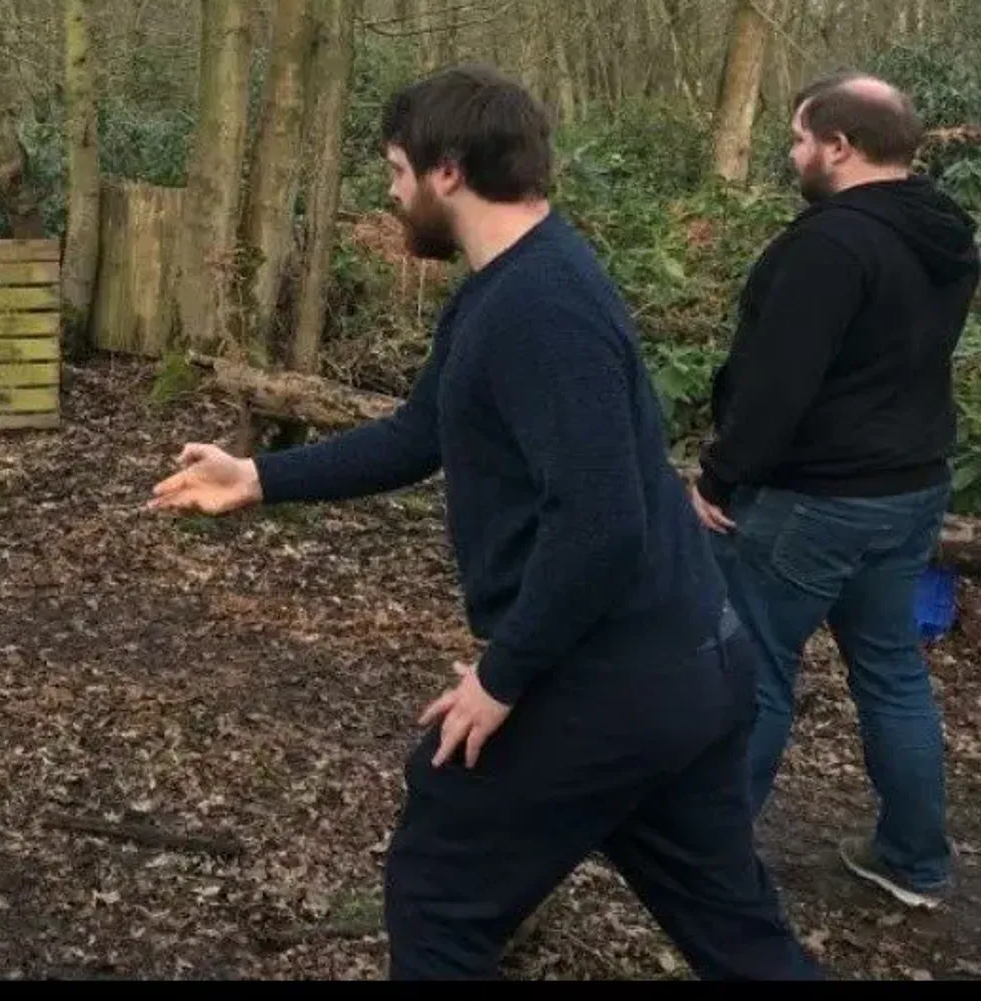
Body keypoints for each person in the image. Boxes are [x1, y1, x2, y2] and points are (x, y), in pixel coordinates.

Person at [149, 65, 816, 981]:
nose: (391, 193)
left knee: (438, 895)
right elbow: (420, 431)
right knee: (739, 938)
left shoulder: (541, 310)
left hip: (617, 679)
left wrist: (503, 677)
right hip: (685, 666)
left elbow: (602, 524)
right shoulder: (510, 283)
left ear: (449, 170)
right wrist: (258, 476)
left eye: (396, 169)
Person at [690, 73, 978, 911]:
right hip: (910, 488)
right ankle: (914, 857)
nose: (793, 154)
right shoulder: (946, 233)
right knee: (891, 668)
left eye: (798, 138)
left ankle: (708, 860)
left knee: (753, 666)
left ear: (839, 146)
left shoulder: (830, 246)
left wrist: (721, 474)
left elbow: (776, 383)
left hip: (813, 497)